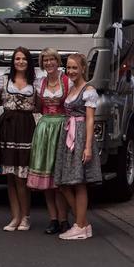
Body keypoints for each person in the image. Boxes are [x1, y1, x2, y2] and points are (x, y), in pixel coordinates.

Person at [55, 53, 102, 240]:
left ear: (83, 68)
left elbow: (90, 120)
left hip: (81, 136)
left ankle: (80, 226)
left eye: (75, 67)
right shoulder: (72, 88)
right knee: (65, 183)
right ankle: (83, 224)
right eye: (69, 67)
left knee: (80, 183)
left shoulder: (88, 90)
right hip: (69, 134)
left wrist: (88, 147)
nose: (71, 71)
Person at [27, 48, 70, 234]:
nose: (49, 63)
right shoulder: (40, 82)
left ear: (57, 61)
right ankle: (53, 219)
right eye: (45, 60)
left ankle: (64, 219)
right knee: (47, 180)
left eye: (52, 59)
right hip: (44, 128)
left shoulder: (67, 81)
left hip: (62, 127)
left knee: (59, 180)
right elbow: (37, 106)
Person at [0, 47, 36, 231]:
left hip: (26, 127)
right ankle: (15, 216)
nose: (20, 61)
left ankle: (25, 217)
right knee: (10, 177)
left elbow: (40, 105)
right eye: (17, 58)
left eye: (24, 59)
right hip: (8, 127)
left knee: (22, 176)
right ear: (13, 61)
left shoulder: (36, 82)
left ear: (29, 62)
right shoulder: (4, 80)